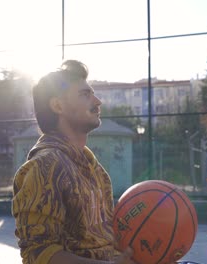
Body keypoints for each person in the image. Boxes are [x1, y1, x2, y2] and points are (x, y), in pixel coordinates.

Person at [12, 60, 134, 264]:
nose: (97, 102)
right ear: (58, 105)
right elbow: (38, 254)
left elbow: (106, 243)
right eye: (85, 94)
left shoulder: (94, 169)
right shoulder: (44, 167)